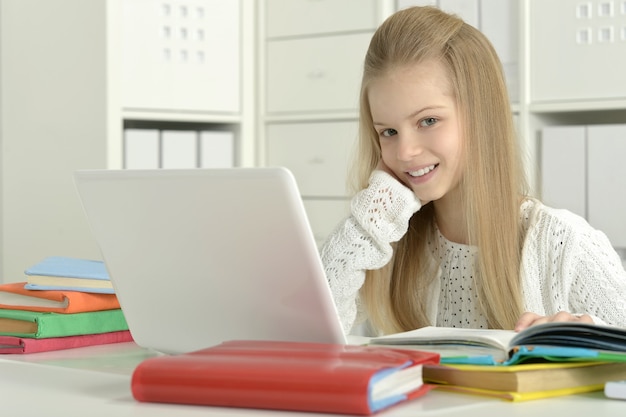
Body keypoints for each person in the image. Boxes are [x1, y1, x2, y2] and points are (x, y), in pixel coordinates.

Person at [321, 6, 626, 336]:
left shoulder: (565, 243)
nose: (405, 152)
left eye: (428, 121)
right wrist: (368, 222)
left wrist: (593, 339)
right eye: (388, 132)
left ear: (481, 117)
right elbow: (305, 337)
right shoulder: (385, 241)